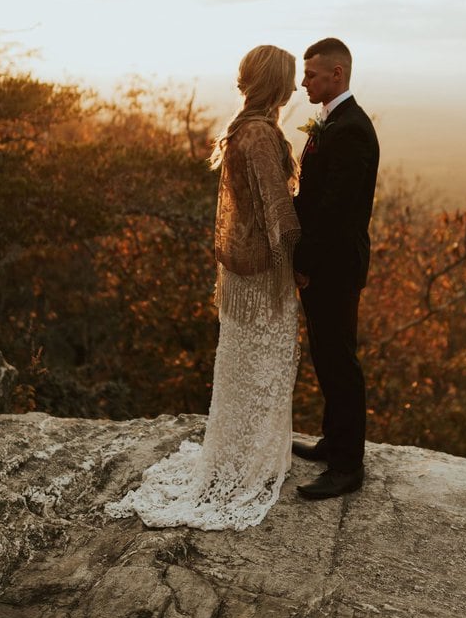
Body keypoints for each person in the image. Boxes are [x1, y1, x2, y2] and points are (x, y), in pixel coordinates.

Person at [106, 45, 301, 530]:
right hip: (262, 275)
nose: (296, 88)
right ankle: (246, 464)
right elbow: (279, 212)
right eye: (291, 79)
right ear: (276, 83)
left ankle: (240, 453)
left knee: (246, 362)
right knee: (264, 363)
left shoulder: (245, 128)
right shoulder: (258, 134)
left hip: (245, 271)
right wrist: (302, 257)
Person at [292, 38, 380, 500]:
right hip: (327, 262)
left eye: (310, 74)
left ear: (337, 75)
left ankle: (348, 466)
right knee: (326, 356)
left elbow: (334, 212)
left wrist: (302, 262)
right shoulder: (333, 121)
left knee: (340, 360)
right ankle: (332, 442)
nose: (303, 82)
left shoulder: (351, 130)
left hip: (336, 266)